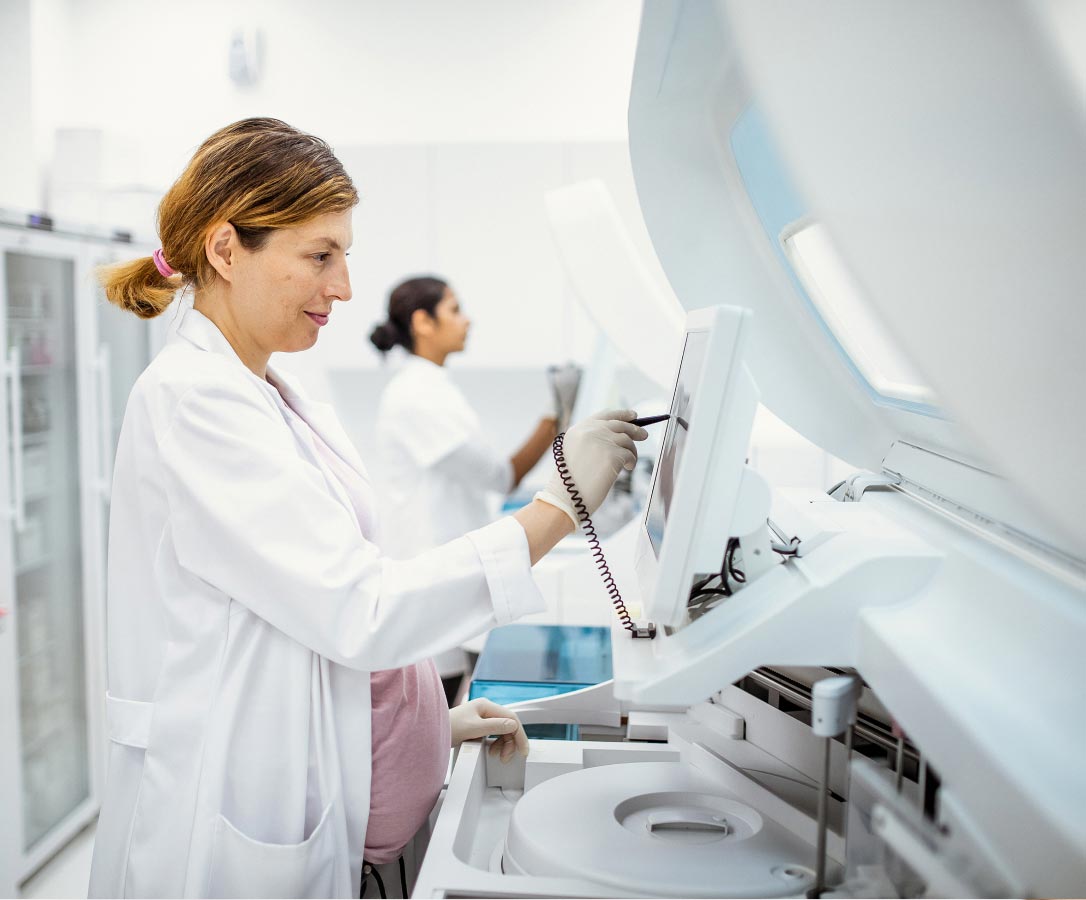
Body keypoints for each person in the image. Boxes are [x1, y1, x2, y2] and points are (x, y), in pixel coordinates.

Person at [85, 117, 646, 900]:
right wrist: (560, 506)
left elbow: (312, 619)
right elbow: (360, 608)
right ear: (224, 250)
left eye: (344, 256)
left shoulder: (270, 391)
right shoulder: (194, 402)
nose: (343, 287)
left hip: (303, 767)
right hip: (228, 826)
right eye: (320, 255)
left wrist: (424, 733)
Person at [369, 277, 564, 696]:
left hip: (441, 577)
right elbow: (499, 475)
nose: (467, 320)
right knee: (438, 706)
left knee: (449, 701)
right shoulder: (418, 393)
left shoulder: (431, 386)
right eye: (455, 310)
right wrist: (555, 420)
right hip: (429, 576)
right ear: (423, 322)